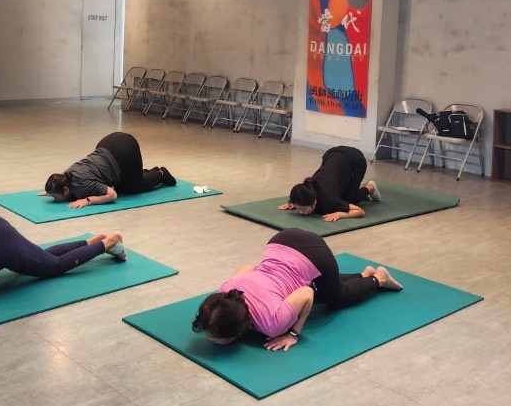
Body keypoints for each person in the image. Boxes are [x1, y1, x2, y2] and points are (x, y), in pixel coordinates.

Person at [192, 227, 403, 352]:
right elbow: (247, 268)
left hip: (315, 254)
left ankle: (378, 279)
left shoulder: (271, 325)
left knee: (336, 297)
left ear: (239, 329)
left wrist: (293, 333)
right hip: (281, 240)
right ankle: (363, 275)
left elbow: (306, 294)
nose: (210, 338)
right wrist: (269, 282)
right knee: (319, 287)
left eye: (215, 336)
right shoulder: (227, 291)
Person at [42, 131, 176, 209]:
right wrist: (51, 190)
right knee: (123, 182)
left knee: (130, 188)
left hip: (125, 150)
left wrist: (87, 201)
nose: (55, 199)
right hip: (108, 142)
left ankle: (161, 174)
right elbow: (60, 179)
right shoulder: (68, 174)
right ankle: (137, 174)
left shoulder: (83, 185)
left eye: (55, 197)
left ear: (66, 189)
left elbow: (112, 195)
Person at [278, 145, 381, 223]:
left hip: (355, 159)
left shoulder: (330, 199)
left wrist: (340, 214)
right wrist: (291, 203)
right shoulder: (308, 185)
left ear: (314, 202)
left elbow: (360, 211)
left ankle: (370, 187)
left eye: (303, 209)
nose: (301, 212)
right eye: (298, 209)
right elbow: (300, 193)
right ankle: (351, 185)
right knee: (341, 187)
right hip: (331, 154)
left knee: (350, 199)